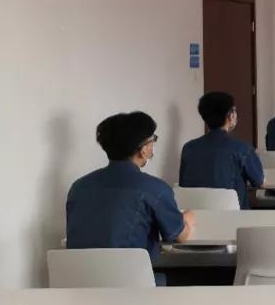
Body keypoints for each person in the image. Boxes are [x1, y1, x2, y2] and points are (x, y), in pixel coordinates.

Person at [66, 112, 194, 285]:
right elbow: (179, 236)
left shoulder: (78, 188)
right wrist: (188, 219)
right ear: (143, 149)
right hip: (134, 288)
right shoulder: (155, 189)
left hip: (81, 287)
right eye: (153, 140)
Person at [179, 91, 264, 209]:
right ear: (230, 115)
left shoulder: (188, 148)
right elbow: (259, 182)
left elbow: (183, 185)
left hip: (197, 216)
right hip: (234, 217)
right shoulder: (243, 149)